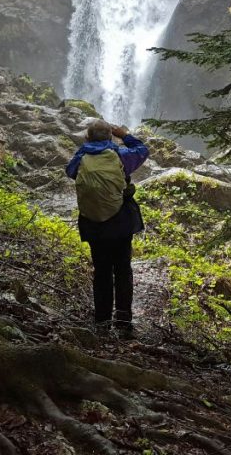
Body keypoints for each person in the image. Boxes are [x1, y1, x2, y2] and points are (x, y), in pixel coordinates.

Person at [65, 119, 148, 336]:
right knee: (122, 269)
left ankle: (101, 322)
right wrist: (125, 135)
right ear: (111, 137)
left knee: (101, 271)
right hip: (119, 221)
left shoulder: (81, 158)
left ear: (88, 138)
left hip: (93, 223)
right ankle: (123, 322)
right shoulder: (121, 156)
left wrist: (84, 149)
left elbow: (69, 171)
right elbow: (142, 150)